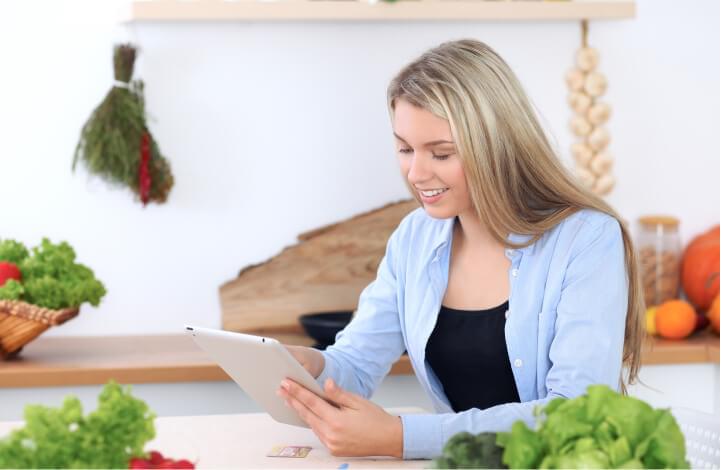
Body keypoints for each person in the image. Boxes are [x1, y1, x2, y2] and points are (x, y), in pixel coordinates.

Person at [278, 39, 644, 460]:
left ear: (497, 144)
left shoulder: (586, 239)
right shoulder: (415, 238)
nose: (416, 173)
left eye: (441, 153)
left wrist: (400, 437)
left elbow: (576, 414)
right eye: (405, 149)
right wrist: (311, 365)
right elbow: (356, 366)